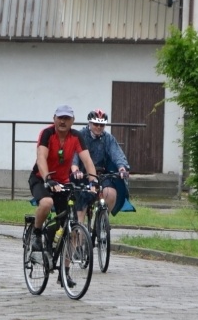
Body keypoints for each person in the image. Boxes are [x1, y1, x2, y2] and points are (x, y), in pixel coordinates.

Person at [28, 105, 97, 252]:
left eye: (67, 118)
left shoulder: (76, 136)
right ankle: (36, 232)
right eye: (60, 118)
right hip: (41, 178)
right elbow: (41, 158)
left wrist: (93, 181)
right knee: (47, 203)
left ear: (73, 121)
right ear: (54, 119)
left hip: (62, 181)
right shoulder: (47, 133)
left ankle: (64, 272)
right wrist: (48, 179)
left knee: (68, 223)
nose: (63, 121)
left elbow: (87, 160)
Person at [72, 109, 130, 222]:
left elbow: (116, 153)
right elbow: (74, 155)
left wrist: (122, 167)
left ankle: (102, 221)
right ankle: (79, 231)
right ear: (89, 123)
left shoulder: (108, 138)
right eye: (96, 124)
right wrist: (75, 169)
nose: (99, 127)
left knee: (111, 193)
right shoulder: (81, 136)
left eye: (102, 125)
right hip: (82, 175)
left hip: (101, 175)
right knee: (81, 208)